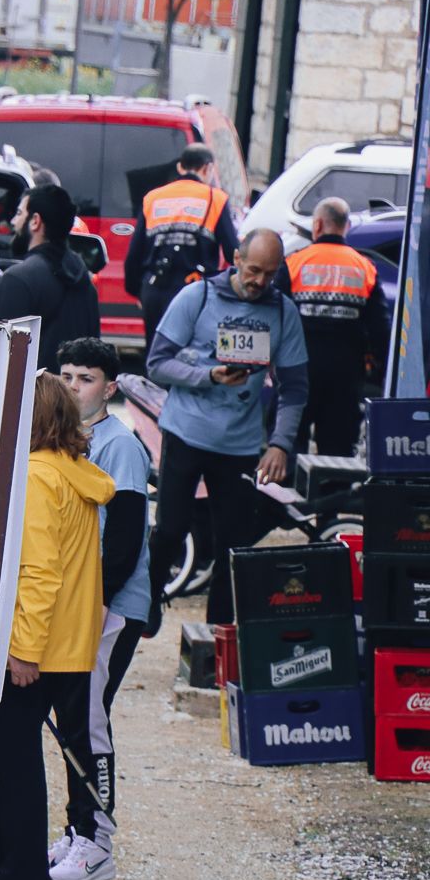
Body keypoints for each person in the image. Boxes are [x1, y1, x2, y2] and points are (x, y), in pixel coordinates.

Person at [0, 373, 114, 880]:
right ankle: (24, 874)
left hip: (39, 646)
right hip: (71, 641)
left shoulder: (33, 475)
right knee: (21, 755)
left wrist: (23, 648)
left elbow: (39, 572)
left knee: (15, 758)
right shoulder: (74, 471)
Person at [145, 229, 308, 627]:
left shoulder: (283, 312)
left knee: (233, 542)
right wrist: (209, 375)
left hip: (239, 444)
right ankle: (146, 602)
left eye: (270, 274)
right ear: (236, 258)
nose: (259, 282)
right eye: (254, 270)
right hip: (186, 432)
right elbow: (156, 363)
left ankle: (220, 631)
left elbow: (295, 387)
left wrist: (280, 444)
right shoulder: (197, 297)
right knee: (171, 528)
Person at [51, 338, 153, 880]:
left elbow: (127, 539)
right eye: (65, 375)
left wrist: (98, 604)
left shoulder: (119, 446)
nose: (72, 386)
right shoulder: (72, 441)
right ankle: (76, 829)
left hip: (111, 607)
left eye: (84, 378)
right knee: (73, 718)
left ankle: (97, 842)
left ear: (109, 387)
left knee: (90, 719)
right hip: (80, 608)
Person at [278, 197, 387, 455]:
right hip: (345, 374)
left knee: (287, 444)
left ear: (317, 225)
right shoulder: (365, 269)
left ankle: (282, 492)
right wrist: (382, 373)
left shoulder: (295, 263)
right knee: (337, 452)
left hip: (299, 369)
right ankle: (330, 492)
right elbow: (380, 328)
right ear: (346, 226)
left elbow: (275, 316)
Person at [124, 143, 238, 350]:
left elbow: (134, 255)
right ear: (207, 169)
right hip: (194, 291)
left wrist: (137, 291)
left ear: (180, 167)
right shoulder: (215, 199)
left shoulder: (153, 198)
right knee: (191, 356)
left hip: (155, 291)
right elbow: (233, 252)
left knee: (156, 356)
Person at [0, 183, 100, 371]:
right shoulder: (83, 277)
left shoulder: (17, 280)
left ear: (35, 221)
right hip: (72, 395)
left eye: (19, 214)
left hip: (33, 396)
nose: (12, 221)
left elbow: (3, 359)